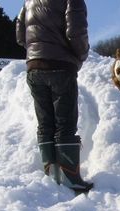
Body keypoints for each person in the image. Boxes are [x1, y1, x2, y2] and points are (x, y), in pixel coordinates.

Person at [16, 0, 93, 192]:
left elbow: (19, 32)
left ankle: (51, 175)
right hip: (60, 67)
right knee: (65, 123)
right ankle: (70, 177)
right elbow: (76, 32)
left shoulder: (28, 1)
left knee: (45, 122)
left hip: (33, 67)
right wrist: (81, 54)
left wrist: (35, 48)